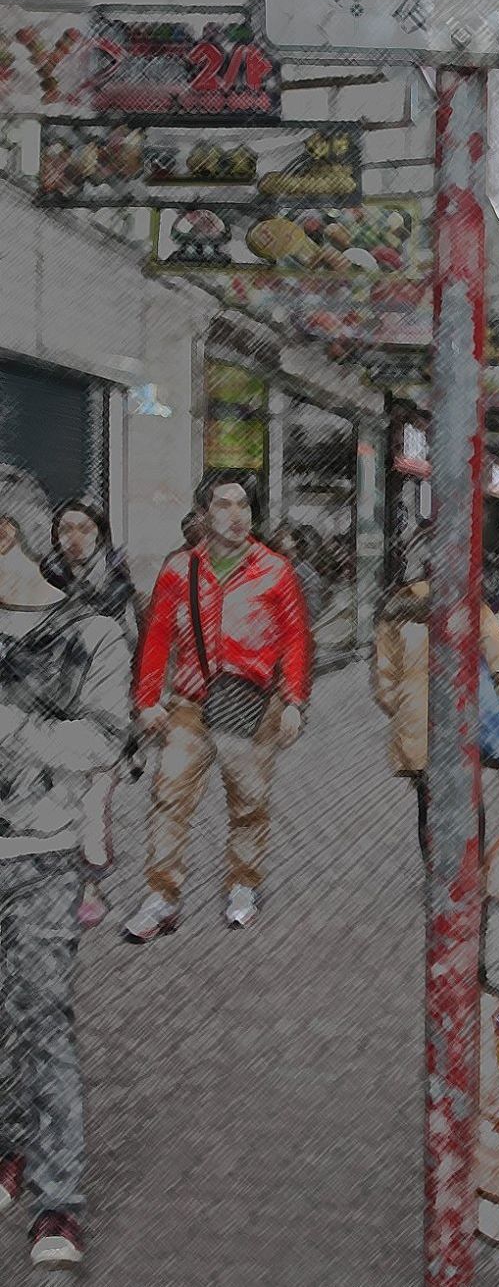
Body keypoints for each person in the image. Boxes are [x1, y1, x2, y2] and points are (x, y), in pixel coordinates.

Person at [0, 465, 132, 1269]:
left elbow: (102, 740)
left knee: (42, 1020)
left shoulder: (91, 634)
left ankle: (58, 1199)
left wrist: (13, 727)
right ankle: (10, 1150)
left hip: (41, 858)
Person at [123, 471, 312, 942]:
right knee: (169, 801)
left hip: (250, 708)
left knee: (248, 804)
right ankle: (162, 897)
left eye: (243, 506)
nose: (235, 516)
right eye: (224, 506)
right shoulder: (179, 569)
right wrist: (146, 700)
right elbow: (158, 638)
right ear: (204, 515)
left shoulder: (274, 569)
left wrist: (293, 701)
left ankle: (243, 885)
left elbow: (295, 639)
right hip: (188, 706)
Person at [370, 532, 499, 861]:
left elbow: (383, 682)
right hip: (463, 721)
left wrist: (406, 710)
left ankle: (434, 868)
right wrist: (490, 707)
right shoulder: (471, 608)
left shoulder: (396, 611)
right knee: (469, 796)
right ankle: (471, 868)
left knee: (428, 799)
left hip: (417, 727)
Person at [40, 500, 141, 930]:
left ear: (98, 533)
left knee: (94, 801)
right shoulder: (39, 581)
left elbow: (135, 646)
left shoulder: (118, 588)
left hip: (104, 709)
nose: (74, 539)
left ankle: (91, 887)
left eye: (83, 529)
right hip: (52, 709)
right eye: (66, 529)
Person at [268, 523, 324, 632]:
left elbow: (312, 611)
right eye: (276, 536)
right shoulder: (273, 567)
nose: (278, 539)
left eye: (283, 536)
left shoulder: (307, 574)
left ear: (294, 542)